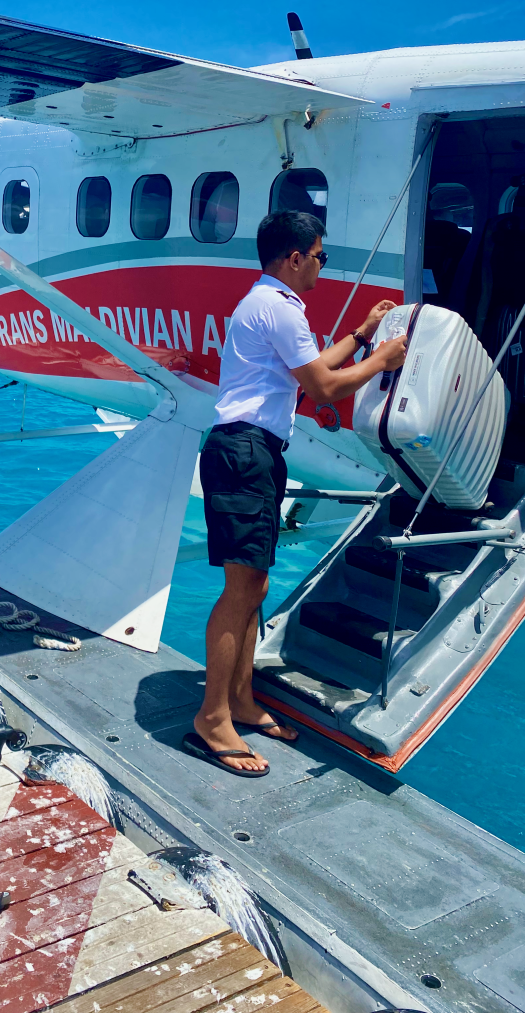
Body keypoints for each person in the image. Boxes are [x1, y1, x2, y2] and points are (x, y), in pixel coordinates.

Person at [184, 209, 408, 778]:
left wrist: (360, 335)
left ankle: (237, 701)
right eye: (320, 256)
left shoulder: (270, 305)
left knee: (252, 584)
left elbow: (312, 371)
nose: (321, 265)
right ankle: (212, 718)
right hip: (245, 452)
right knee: (242, 589)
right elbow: (325, 387)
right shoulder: (277, 307)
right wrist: (382, 359)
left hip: (252, 452)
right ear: (295, 257)